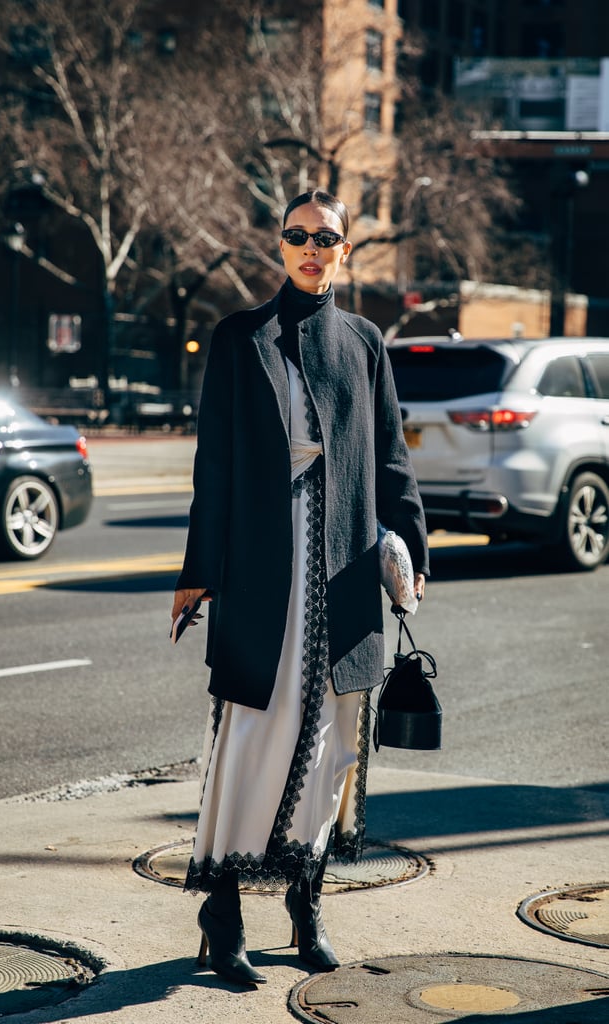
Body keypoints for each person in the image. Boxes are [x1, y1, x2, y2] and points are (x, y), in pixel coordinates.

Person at [171, 189, 428, 987]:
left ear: (346, 250)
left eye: (327, 238)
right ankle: (222, 911)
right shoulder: (239, 338)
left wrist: (410, 545)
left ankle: (305, 905)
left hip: (345, 570)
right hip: (260, 571)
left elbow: (389, 458)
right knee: (252, 736)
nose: (312, 248)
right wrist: (197, 573)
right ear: (277, 246)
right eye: (297, 236)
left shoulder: (363, 340)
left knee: (332, 746)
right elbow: (212, 467)